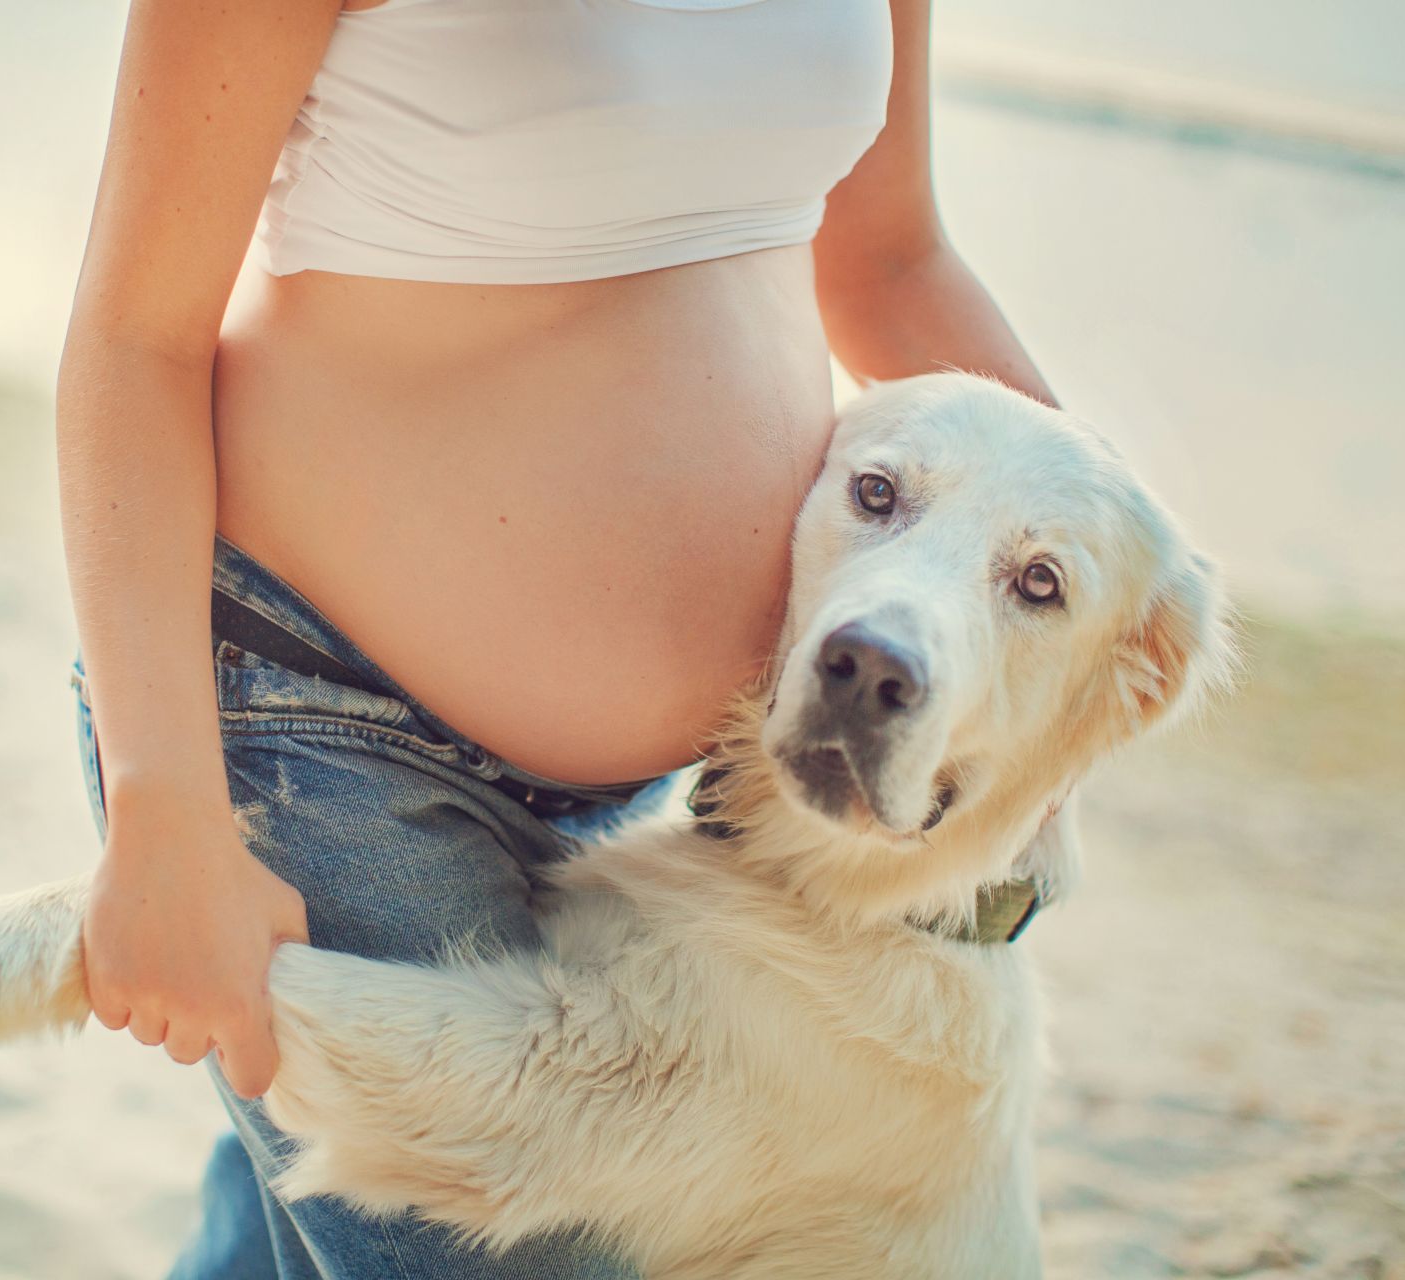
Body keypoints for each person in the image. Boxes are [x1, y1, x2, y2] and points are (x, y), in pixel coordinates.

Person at [57, 1, 1054, 1276]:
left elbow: (890, 263)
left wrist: (1115, 570)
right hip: (319, 733)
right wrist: (165, 809)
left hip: (672, 807)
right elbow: (136, 336)